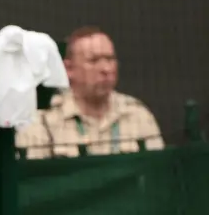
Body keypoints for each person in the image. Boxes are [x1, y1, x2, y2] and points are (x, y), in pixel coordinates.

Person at [15, 26, 164, 159]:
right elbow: (32, 184)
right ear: (68, 69)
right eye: (94, 60)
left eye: (110, 59)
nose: (106, 69)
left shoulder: (137, 115)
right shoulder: (42, 121)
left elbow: (159, 176)